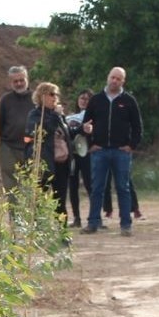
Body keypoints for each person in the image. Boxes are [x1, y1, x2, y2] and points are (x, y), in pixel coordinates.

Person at [80, 67, 142, 236]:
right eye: (112, 77)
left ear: (123, 81)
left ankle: (126, 224)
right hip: (99, 151)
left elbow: (137, 126)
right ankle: (93, 223)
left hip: (121, 152)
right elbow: (86, 124)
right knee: (97, 188)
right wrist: (90, 144)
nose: (114, 81)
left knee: (123, 188)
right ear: (108, 77)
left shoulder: (129, 101)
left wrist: (131, 145)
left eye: (118, 79)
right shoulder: (96, 100)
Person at [25, 82, 71, 217]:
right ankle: (40, 227)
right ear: (42, 96)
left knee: (60, 201)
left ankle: (62, 228)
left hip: (61, 163)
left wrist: (81, 129)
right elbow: (41, 132)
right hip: (44, 163)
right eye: (52, 94)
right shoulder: (35, 114)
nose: (55, 97)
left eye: (56, 94)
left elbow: (66, 134)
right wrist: (55, 116)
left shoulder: (58, 115)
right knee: (40, 200)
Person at [0, 65, 32, 195]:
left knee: (31, 185)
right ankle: (14, 210)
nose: (19, 84)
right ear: (10, 82)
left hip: (31, 147)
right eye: (15, 81)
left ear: (27, 79)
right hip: (9, 147)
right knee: (11, 186)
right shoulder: (5, 100)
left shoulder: (36, 99)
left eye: (21, 80)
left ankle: (30, 209)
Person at [64, 89, 94, 228]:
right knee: (73, 186)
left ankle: (94, 217)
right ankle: (76, 218)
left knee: (90, 185)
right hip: (72, 155)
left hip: (87, 154)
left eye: (87, 99)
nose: (84, 101)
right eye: (81, 98)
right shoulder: (70, 117)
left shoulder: (94, 117)